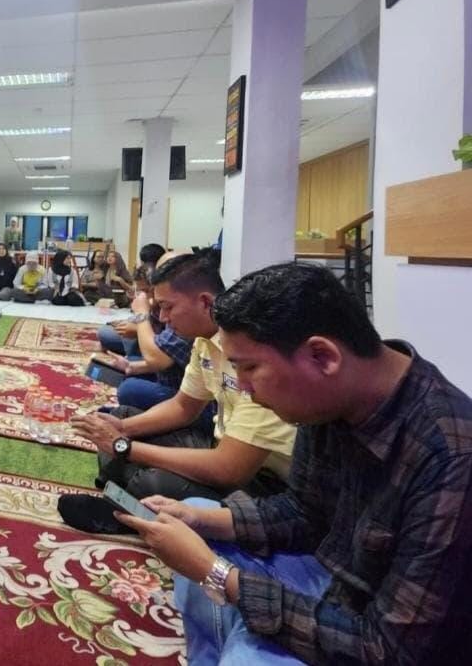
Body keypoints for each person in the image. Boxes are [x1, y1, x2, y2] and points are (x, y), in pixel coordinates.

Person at [116, 262, 472, 665]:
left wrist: (219, 575)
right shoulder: (329, 398)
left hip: (374, 629)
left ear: (322, 356)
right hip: (332, 576)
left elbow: (388, 650)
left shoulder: (451, 457)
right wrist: (199, 520)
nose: (243, 388)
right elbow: (303, 512)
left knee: (247, 655)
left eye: (250, 368)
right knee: (195, 516)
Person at [59, 249, 295, 533]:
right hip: (221, 444)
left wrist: (125, 447)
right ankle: (122, 491)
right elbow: (183, 406)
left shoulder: (259, 361)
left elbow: (229, 468)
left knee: (154, 480)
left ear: (205, 302)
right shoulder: (206, 341)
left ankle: (127, 514)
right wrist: (122, 429)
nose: (163, 317)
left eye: (168, 307)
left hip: (261, 479)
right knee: (118, 418)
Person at [100, 252, 195, 412]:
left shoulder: (188, 313)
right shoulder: (169, 303)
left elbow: (159, 358)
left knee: (129, 390)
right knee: (110, 335)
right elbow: (165, 355)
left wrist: (141, 317)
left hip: (188, 396)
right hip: (174, 376)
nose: (164, 316)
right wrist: (132, 367)